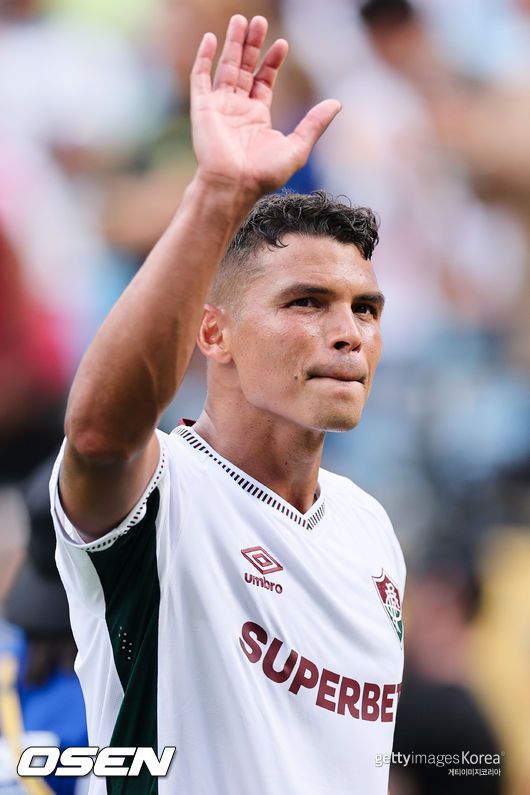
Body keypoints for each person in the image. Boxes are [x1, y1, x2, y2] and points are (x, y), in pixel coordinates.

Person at [49, 14, 405, 795]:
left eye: (366, 309)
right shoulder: (164, 493)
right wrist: (217, 194)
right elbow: (100, 435)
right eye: (306, 302)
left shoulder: (370, 527)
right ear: (214, 332)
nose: (349, 333)